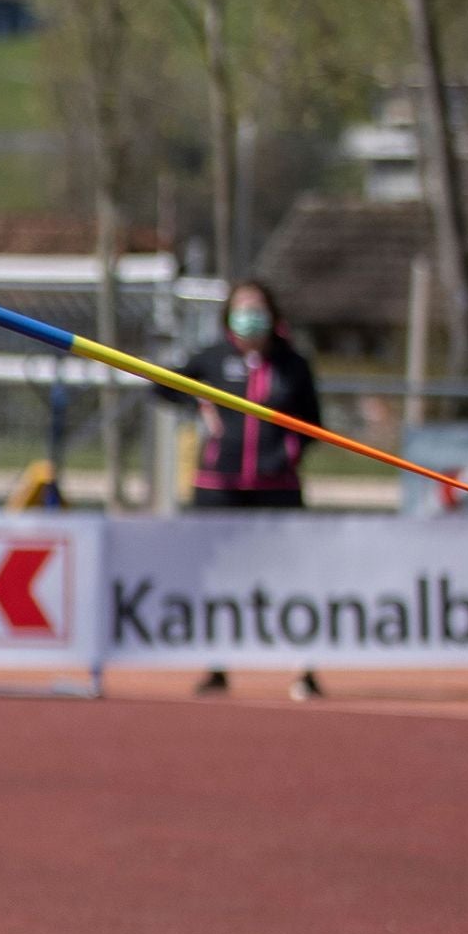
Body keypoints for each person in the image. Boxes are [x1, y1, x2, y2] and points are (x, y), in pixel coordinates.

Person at [164, 280, 325, 701]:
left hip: (277, 487)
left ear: (272, 314)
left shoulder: (293, 365)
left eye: (258, 308)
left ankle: (303, 669)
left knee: (292, 577)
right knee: (218, 577)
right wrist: (197, 408)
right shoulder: (213, 359)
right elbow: (161, 386)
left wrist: (288, 450)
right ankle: (215, 664)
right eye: (242, 308)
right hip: (220, 486)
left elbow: (313, 424)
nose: (251, 315)